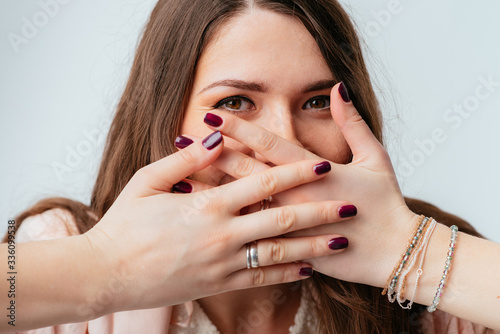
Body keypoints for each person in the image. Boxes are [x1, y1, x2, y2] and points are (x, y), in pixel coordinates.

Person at [2, 0, 500, 333]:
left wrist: (409, 252)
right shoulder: (62, 240)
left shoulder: (425, 270)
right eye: (237, 102)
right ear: (165, 113)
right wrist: (107, 266)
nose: (282, 141)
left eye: (316, 103)